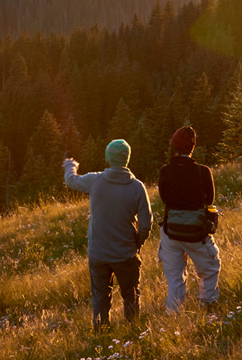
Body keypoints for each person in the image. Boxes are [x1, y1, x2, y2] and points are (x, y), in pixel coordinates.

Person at [63, 139, 152, 331]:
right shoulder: (137, 187)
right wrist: (136, 244)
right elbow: (146, 224)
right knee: (131, 295)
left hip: (99, 254)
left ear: (107, 158)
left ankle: (101, 334)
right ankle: (132, 332)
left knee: (101, 296)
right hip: (126, 253)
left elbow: (70, 181)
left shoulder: (95, 181)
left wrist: (70, 165)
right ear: (127, 159)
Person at [157, 126, 221, 312]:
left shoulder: (165, 171)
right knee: (209, 270)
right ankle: (208, 309)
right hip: (196, 232)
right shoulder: (203, 171)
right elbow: (209, 199)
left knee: (175, 279)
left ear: (174, 146)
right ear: (192, 148)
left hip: (170, 232)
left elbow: (164, 198)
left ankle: (173, 317)